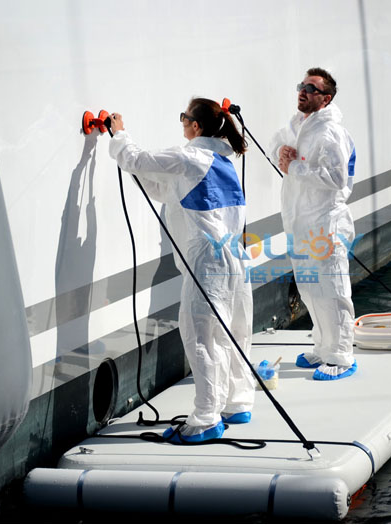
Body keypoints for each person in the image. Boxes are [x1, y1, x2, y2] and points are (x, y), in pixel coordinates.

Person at [108, 98, 255, 442]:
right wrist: (136, 173)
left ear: (195, 126)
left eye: (183, 117)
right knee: (234, 331)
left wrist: (119, 133)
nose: (182, 123)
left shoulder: (191, 156)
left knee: (201, 336)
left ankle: (206, 418)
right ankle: (238, 401)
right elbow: (167, 192)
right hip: (235, 257)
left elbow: (137, 158)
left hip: (208, 262)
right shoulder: (220, 160)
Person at [269, 67, 357, 381]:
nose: (303, 91)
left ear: (326, 98)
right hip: (299, 223)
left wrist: (293, 167)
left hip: (326, 224)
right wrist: (282, 153)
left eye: (311, 88)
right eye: (301, 85)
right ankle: (322, 347)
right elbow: (274, 150)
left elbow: (336, 179)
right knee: (309, 289)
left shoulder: (331, 132)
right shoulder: (297, 124)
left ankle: (342, 356)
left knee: (332, 290)